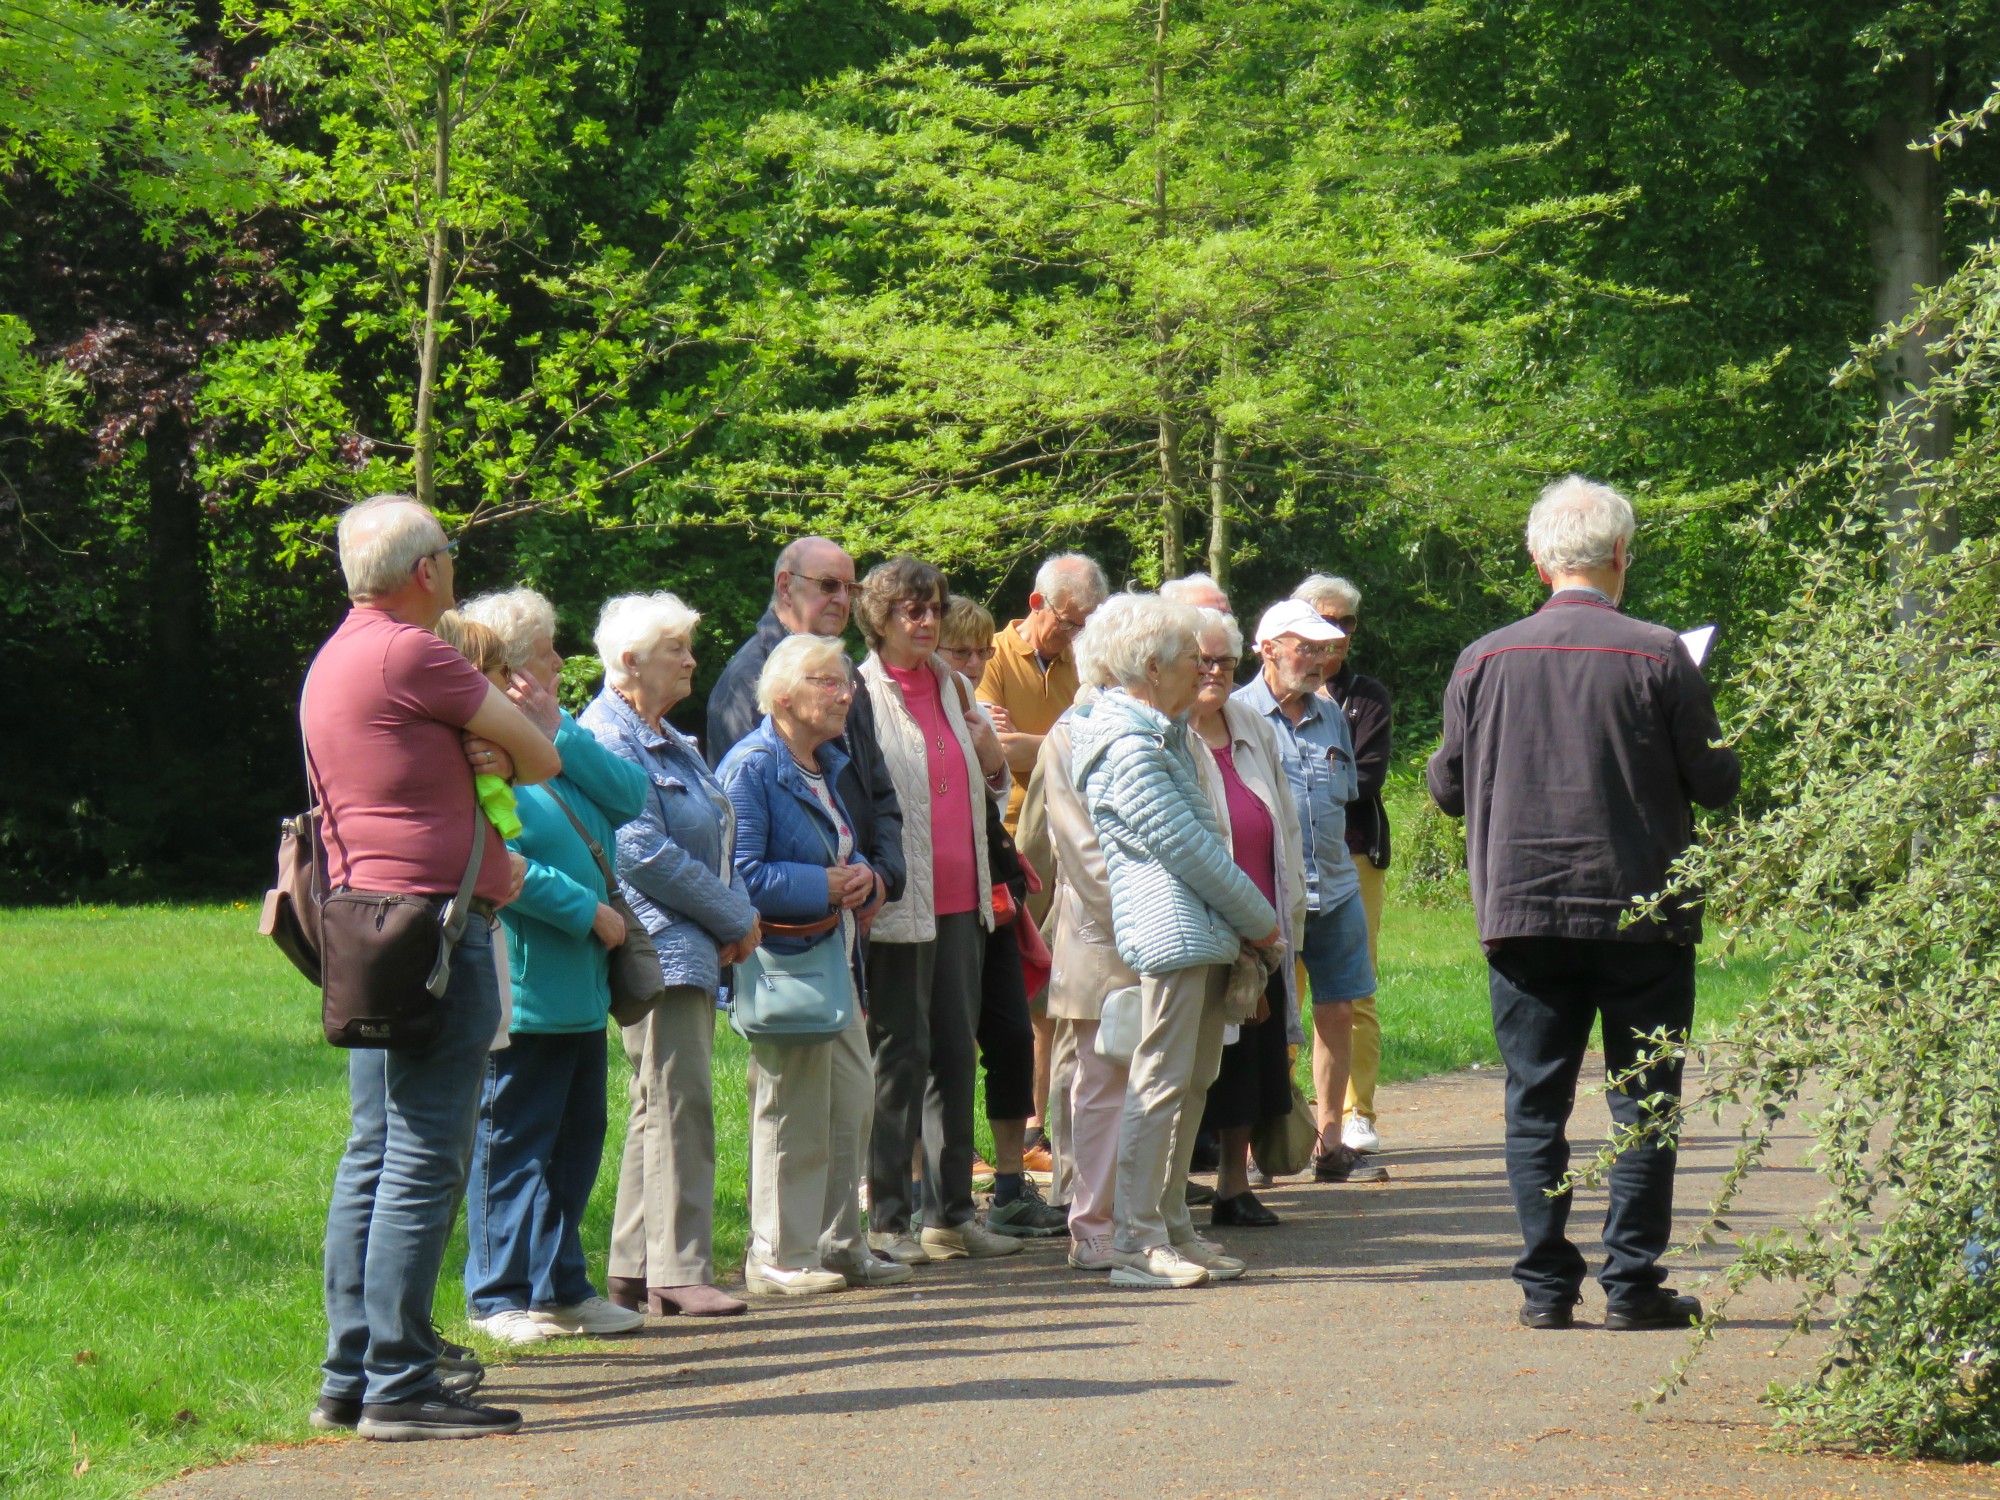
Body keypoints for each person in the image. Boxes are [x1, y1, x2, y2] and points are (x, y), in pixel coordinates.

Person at [1428, 476, 1740, 1332]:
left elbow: (1447, 788)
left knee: (1536, 1101)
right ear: (1618, 557)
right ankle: (1633, 1284)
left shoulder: (1482, 659)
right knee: (1643, 1098)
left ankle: (1545, 1288)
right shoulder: (1658, 654)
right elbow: (1716, 781)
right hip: (1642, 909)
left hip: (1523, 909)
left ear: (1538, 559)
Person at [304, 495, 558, 1441]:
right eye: (449, 555)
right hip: (442, 933)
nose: (453, 569)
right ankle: (401, 1383)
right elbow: (539, 757)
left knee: (373, 1155)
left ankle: (354, 1369)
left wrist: (466, 745)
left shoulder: (335, 656)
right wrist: (487, 742)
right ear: (427, 572)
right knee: (422, 1159)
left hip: (371, 931)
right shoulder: (416, 652)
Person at [1069, 594, 1280, 1290]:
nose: (1206, 669)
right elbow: (1187, 847)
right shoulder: (1128, 743)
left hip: (1199, 928)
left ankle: (1171, 1228)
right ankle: (1136, 1240)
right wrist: (1262, 919)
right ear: (1151, 666)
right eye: (1193, 657)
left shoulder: (1160, 734)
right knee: (1161, 1083)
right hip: (1173, 929)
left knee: (1192, 1083)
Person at [456, 588, 649, 1344]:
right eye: (545, 651)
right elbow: (501, 862)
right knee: (514, 1141)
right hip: (529, 983)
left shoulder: (544, 737)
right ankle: (498, 1295)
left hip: (581, 984)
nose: (561, 661)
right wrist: (588, 911)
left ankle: (562, 1284)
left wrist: (553, 724)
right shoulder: (479, 747)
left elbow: (631, 796)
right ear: (507, 666)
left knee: (576, 1141)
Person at [579, 593, 762, 1318]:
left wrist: (736, 913)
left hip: (694, 943)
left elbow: (718, 828)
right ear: (628, 662)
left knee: (660, 1103)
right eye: (676, 649)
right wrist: (735, 914)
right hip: (659, 944)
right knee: (676, 1103)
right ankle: (677, 1272)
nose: (691, 660)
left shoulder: (668, 736)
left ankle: (632, 1269)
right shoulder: (605, 735)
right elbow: (637, 849)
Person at [719, 634, 906, 1294]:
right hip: (782, 964)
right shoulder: (751, 767)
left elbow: (854, 850)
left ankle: (836, 1244)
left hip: (838, 960)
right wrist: (822, 885)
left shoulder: (833, 763)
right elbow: (736, 875)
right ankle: (776, 1255)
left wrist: (867, 882)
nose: (845, 692)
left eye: (846, 681)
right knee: (788, 1110)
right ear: (781, 696)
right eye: (827, 682)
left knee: (851, 1104)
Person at [855, 557, 1020, 1264]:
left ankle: (951, 1214)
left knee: (957, 1055)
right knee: (900, 1059)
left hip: (965, 899)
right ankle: (889, 1221)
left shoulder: (952, 685)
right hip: (899, 903)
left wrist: (994, 760)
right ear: (879, 618)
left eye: (932, 609)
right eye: (908, 611)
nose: (924, 622)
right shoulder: (860, 691)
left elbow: (989, 784)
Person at [1234, 599, 1387, 1186]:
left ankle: (1328, 1143)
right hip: (1267, 891)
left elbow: (1344, 792)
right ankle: (1253, 1152)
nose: (1320, 659)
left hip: (1337, 883)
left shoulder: (1332, 716)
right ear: (1268, 647)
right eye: (1307, 647)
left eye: (1326, 649)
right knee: (1259, 1018)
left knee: (1339, 1009)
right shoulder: (1237, 713)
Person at [976, 552, 1109, 1194]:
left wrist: (1038, 744)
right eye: (1069, 621)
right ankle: (1028, 1130)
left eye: (1088, 625)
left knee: (1058, 992)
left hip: (1068, 832)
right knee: (1031, 992)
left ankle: (1041, 1131)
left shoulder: (1081, 665)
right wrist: (1054, 743)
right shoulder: (994, 658)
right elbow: (993, 748)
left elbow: (1078, 743)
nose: (1077, 635)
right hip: (1008, 843)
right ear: (1037, 606)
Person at [941, 595, 1065, 1237]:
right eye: (957, 652)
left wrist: (988, 739)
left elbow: (996, 788)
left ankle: (1013, 1186)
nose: (970, 663)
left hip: (994, 890)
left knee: (1014, 1036)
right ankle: (934, 1188)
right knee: (945, 1049)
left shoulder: (970, 712)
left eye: (979, 652)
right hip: (937, 905)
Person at [704, 537, 906, 925]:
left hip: (851, 912)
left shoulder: (844, 676)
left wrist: (879, 876)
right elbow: (744, 858)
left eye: (851, 589)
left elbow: (877, 791)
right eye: (829, 585)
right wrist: (823, 887)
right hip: (788, 938)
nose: (843, 600)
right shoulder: (751, 682)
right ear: (785, 586)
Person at [1186, 607, 1307, 1229]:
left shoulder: (1249, 726)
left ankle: (1234, 1185)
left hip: (1262, 925)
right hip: (1202, 926)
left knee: (1251, 1062)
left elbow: (1283, 818)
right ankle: (1174, 1186)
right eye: (1201, 660)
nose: (1213, 672)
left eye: (1224, 663)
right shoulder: (1166, 733)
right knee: (1195, 1063)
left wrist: (1286, 918)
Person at [1293, 574, 1394, 1154]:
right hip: (1286, 856)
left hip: (1353, 854)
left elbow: (1365, 777)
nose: (1335, 635)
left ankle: (1358, 1113)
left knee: (1354, 989)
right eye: (1324, 622)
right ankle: (1282, 1113)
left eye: (1347, 624)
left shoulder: (1366, 697)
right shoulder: (1264, 697)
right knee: (1285, 988)